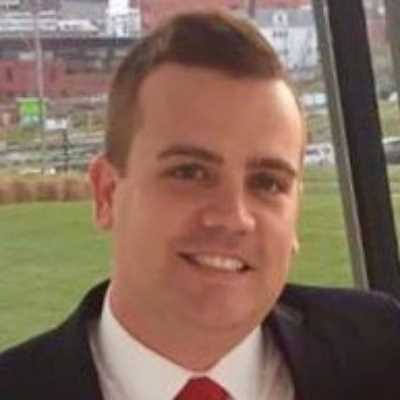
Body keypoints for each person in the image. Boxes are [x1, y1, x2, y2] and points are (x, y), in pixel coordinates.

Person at [1, 11, 400, 400]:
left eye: (268, 182)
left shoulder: (381, 353)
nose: (233, 217)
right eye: (189, 173)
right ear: (107, 194)